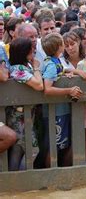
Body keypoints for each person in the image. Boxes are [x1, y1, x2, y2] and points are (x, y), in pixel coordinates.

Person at [41, 32, 83, 167]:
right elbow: (47, 89)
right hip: (56, 111)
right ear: (60, 47)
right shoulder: (52, 64)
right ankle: (51, 174)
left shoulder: (54, 61)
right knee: (54, 145)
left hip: (60, 110)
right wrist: (69, 90)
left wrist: (75, 72)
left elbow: (63, 70)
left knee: (59, 144)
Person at [7, 37, 43, 170]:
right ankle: (22, 179)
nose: (34, 51)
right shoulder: (18, 69)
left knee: (18, 149)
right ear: (24, 52)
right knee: (33, 150)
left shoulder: (22, 66)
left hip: (23, 114)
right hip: (19, 116)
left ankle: (15, 179)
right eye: (31, 50)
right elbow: (39, 85)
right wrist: (36, 68)